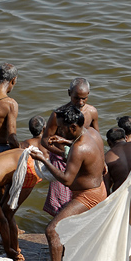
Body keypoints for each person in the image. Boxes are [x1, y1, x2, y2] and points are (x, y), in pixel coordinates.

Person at [30, 105, 106, 261]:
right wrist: (65, 141)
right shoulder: (90, 133)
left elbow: (66, 180)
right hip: (98, 189)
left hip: (88, 196)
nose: (58, 132)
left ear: (73, 127)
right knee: (71, 230)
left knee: (52, 230)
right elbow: (83, 145)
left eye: (61, 129)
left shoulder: (79, 149)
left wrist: (43, 160)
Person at [41, 78, 99, 217]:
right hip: (62, 161)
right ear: (69, 93)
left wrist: (101, 160)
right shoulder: (58, 115)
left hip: (83, 161)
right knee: (60, 203)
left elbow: (96, 137)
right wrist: (62, 153)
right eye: (76, 98)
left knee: (80, 200)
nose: (80, 102)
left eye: (84, 98)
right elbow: (45, 140)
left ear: (88, 95)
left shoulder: (91, 112)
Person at [105, 127, 131, 193]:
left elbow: (106, 187)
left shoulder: (107, 157)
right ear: (126, 137)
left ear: (108, 142)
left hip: (120, 195)